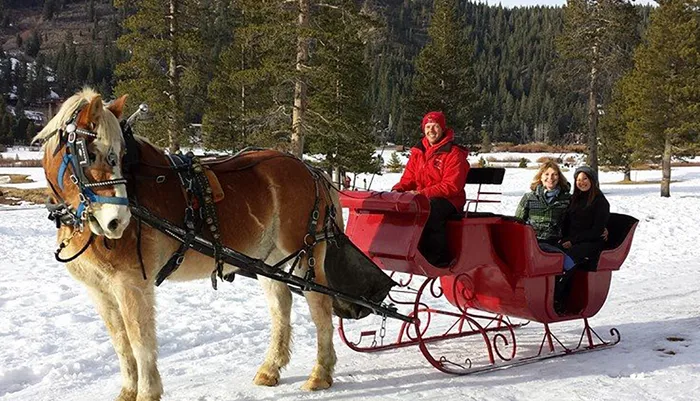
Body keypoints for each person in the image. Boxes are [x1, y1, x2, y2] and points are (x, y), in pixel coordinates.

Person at [392, 111, 469, 267]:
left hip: (449, 200)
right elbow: (409, 179)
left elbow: (452, 185)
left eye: (435, 126)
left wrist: (422, 193)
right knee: (396, 208)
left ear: (442, 128)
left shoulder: (454, 153)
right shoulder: (418, 152)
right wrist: (397, 191)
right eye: (428, 126)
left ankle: (437, 259)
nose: (431, 131)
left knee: (430, 211)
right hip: (422, 197)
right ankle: (401, 250)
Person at [554, 165, 611, 314]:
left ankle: (559, 300)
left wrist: (573, 241)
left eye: (585, 178)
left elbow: (597, 230)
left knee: (568, 260)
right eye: (578, 179)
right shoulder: (575, 199)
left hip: (591, 242)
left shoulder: (600, 202)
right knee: (551, 254)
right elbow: (567, 223)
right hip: (572, 240)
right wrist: (564, 239)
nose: (582, 182)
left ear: (592, 180)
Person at [515, 160, 571, 247]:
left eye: (554, 174)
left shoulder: (567, 199)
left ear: (559, 177)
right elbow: (518, 222)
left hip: (555, 242)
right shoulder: (529, 197)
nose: (550, 178)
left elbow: (571, 224)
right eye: (546, 174)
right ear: (540, 177)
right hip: (531, 241)